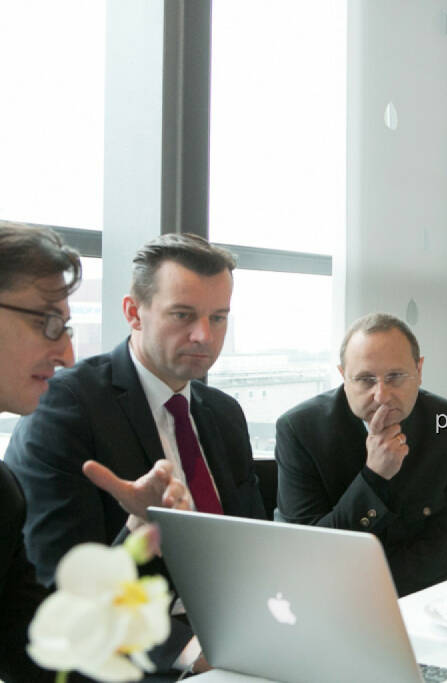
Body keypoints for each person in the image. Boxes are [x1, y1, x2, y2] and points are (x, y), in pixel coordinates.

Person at [5, 232, 265, 674]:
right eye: (183, 315)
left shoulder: (223, 413)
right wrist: (189, 651)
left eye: (218, 318)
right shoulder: (67, 408)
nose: (203, 335)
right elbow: (57, 592)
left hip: (243, 635)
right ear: (133, 313)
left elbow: (256, 546)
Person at [0, 223, 192, 682]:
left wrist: (138, 532)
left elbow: (48, 648)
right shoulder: (68, 414)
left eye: (66, 328)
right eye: (46, 323)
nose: (66, 353)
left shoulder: (2, 492)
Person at [275, 313, 447, 596]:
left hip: (426, 588)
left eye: (395, 377)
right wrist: (374, 477)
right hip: (333, 594)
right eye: (365, 380)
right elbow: (312, 553)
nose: (382, 395)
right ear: (344, 377)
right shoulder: (301, 429)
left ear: (419, 369)